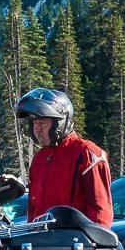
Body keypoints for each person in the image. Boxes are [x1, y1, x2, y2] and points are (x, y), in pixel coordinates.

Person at [16, 88, 113, 226]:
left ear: (60, 123)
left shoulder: (88, 154)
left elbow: (100, 212)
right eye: (34, 124)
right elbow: (33, 209)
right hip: (41, 241)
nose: (37, 129)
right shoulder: (40, 158)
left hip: (73, 242)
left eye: (42, 123)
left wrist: (94, 243)